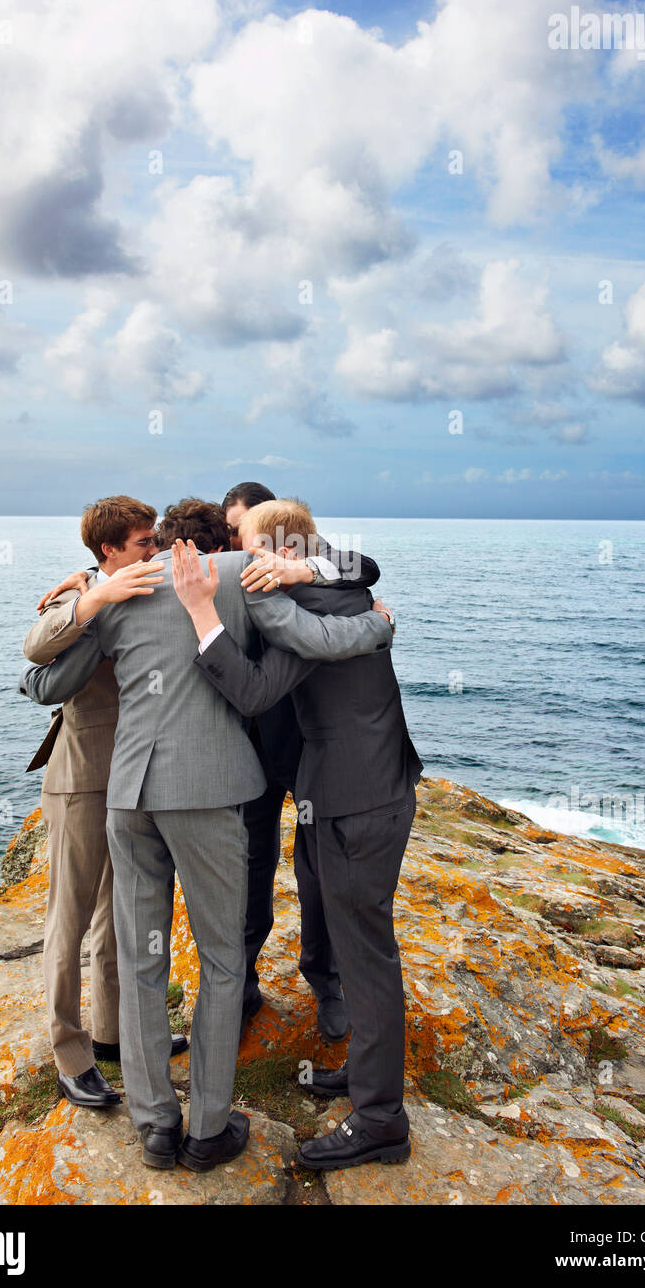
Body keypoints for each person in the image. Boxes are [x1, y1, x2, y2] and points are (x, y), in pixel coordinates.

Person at [21, 500, 393, 1174]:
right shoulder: (240, 573)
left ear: (157, 542)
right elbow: (311, 636)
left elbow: (44, 678)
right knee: (223, 963)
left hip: (129, 795)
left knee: (139, 961)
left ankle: (157, 1126)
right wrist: (376, 626)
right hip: (207, 791)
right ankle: (210, 1128)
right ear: (221, 538)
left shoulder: (123, 588)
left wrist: (86, 596)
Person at [170, 497, 422, 1172]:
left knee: (366, 956)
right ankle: (370, 1079)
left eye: (249, 545)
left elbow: (254, 692)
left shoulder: (312, 602)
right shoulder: (335, 587)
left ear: (283, 550)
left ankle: (379, 1121)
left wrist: (200, 614)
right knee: (354, 940)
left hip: (357, 801)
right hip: (353, 790)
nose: (242, 557)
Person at [20, 495, 187, 1110]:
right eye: (144, 542)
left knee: (121, 914)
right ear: (108, 550)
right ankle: (70, 1052)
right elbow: (36, 648)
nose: (155, 550)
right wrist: (93, 597)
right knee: (69, 917)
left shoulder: (154, 583)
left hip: (141, 776)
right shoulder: (77, 598)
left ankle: (113, 1033)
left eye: (155, 540)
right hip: (84, 777)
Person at [221, 481, 381, 1042]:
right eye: (232, 535)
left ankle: (327, 982)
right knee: (248, 866)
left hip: (314, 748)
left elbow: (366, 565)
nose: (237, 546)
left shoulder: (312, 561)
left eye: (243, 533)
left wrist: (303, 574)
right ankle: (239, 981)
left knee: (316, 872)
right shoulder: (228, 564)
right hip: (250, 746)